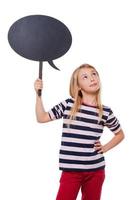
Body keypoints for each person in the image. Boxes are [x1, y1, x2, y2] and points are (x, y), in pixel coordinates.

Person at [34, 63, 124, 200]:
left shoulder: (105, 111)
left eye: (94, 74)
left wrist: (104, 148)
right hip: (70, 171)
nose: (92, 78)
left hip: (96, 171)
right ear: (78, 86)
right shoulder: (68, 105)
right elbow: (42, 117)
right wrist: (38, 96)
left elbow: (120, 134)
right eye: (85, 77)